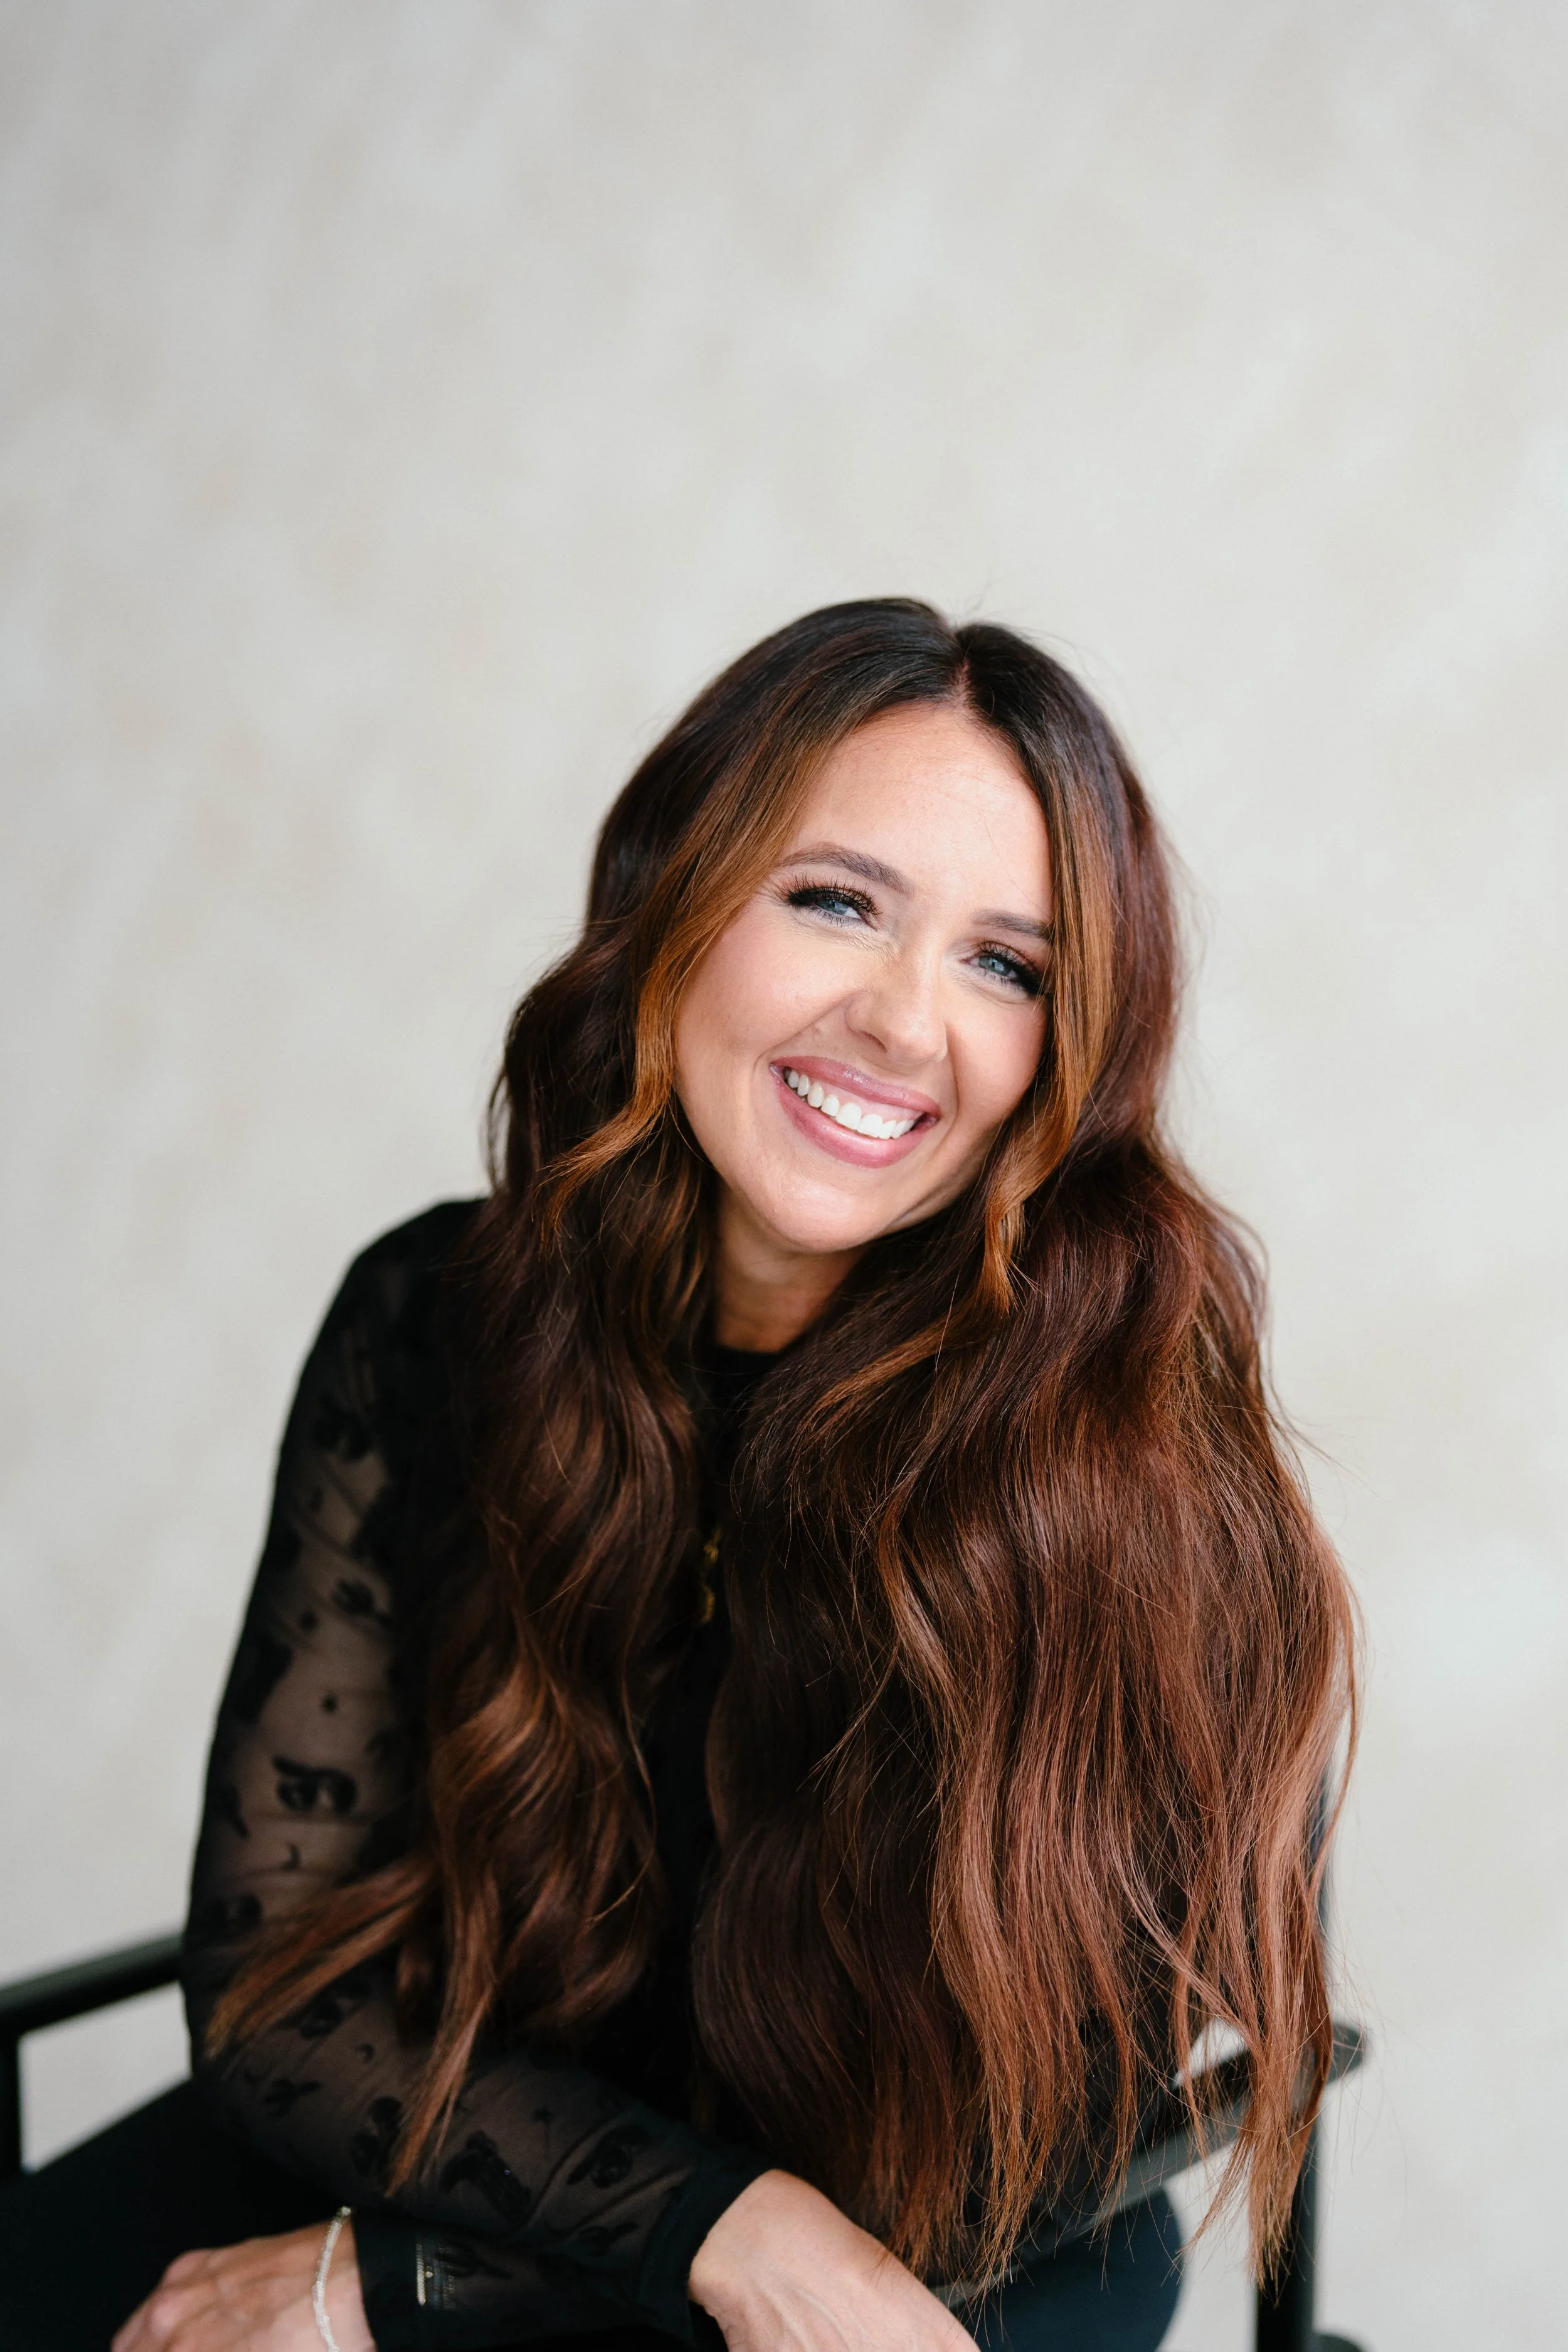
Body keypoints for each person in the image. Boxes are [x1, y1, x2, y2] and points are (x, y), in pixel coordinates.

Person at [6, 601, 1355, 2352]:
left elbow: (1016, 2152)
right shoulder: (438, 1313)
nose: (902, 1021)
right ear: (680, 905)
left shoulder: (1127, 1442)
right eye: (838, 901)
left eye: (1005, 966)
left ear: (1068, 1048)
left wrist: (416, 2291)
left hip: (946, 2251)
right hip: (480, 2135)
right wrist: (655, 2227)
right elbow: (280, 1988)